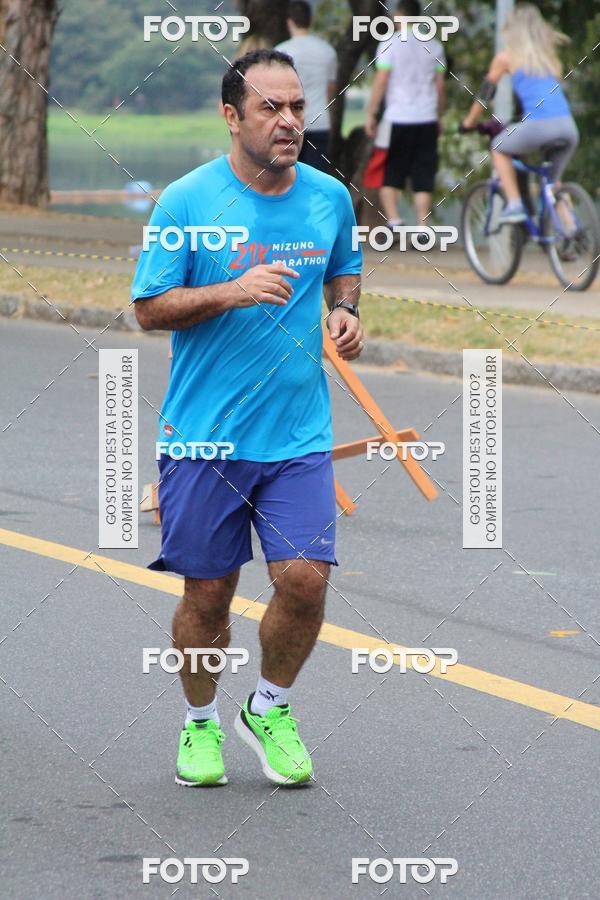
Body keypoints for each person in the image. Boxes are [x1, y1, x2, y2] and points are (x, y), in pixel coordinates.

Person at [131, 49, 364, 788]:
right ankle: (200, 721)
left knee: (306, 580)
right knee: (209, 595)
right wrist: (233, 290)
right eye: (272, 108)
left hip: (298, 433)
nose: (290, 121)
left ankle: (269, 707)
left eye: (298, 106)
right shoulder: (186, 202)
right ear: (232, 116)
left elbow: (345, 266)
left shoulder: (329, 196)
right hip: (204, 438)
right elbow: (148, 309)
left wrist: (346, 311)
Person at [461, 3, 578, 225]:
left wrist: (468, 122)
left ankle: (514, 205)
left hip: (540, 126)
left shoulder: (506, 57)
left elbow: (484, 96)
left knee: (498, 146)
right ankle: (573, 232)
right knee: (554, 185)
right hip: (568, 127)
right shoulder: (547, 58)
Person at [365, 0, 446, 230]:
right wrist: (439, 115)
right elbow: (440, 86)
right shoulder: (435, 46)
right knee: (423, 176)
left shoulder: (389, 43)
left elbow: (381, 80)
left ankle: (395, 222)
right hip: (427, 118)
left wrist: (371, 113)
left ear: (398, 14)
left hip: (396, 118)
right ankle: (422, 227)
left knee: (389, 172)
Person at [276, 0, 338, 172]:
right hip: (320, 122)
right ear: (310, 20)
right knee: (315, 176)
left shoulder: (280, 51)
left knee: (286, 174)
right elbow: (330, 91)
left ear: (289, 22)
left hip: (288, 122)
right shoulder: (328, 51)